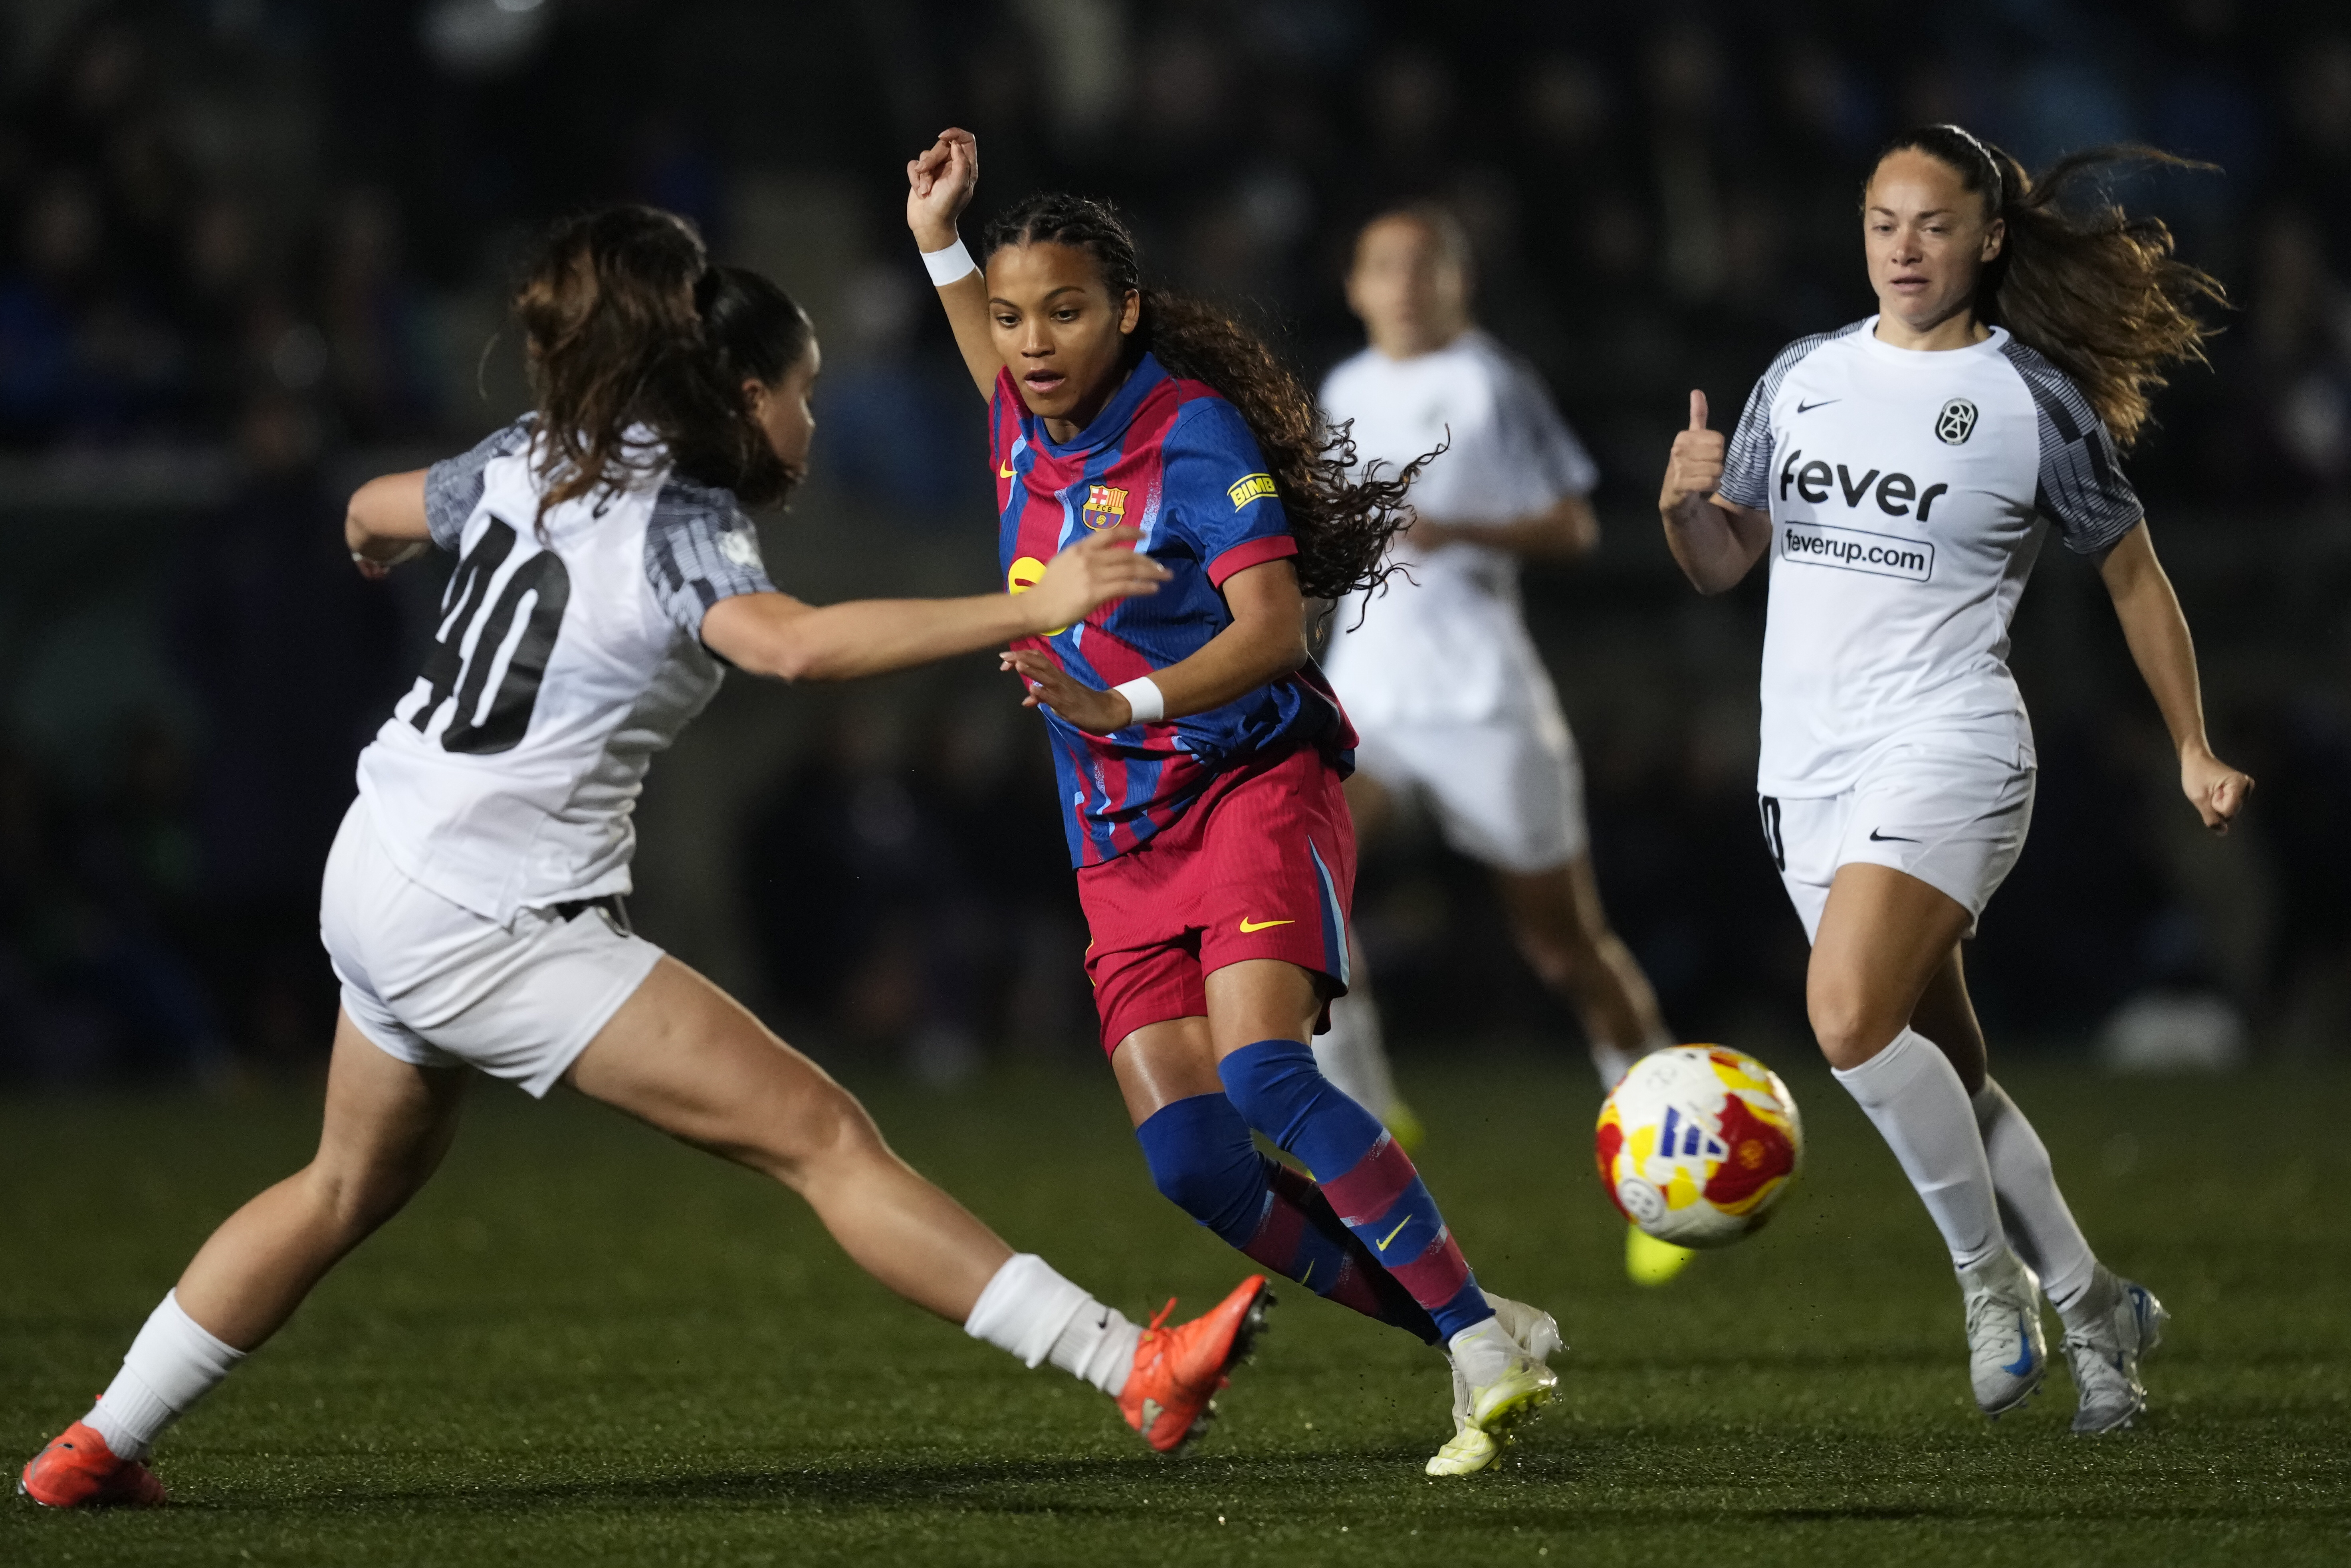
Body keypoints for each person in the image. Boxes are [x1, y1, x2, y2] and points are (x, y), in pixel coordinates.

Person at [20, 206, 1267, 1511]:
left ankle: (95, 1444)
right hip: (493, 916)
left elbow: (372, 503)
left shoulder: (538, 450)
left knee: (341, 1183)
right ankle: (1135, 1365)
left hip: (381, 857)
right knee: (826, 1139)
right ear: (739, 395)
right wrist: (1039, 602)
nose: (810, 424)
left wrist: (377, 533)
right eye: (802, 395)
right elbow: (792, 648)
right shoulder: (680, 519)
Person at [904, 129, 1561, 1479]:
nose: (1032, 342)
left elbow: (1274, 632)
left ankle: (1483, 1353)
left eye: (1068, 311)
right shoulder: (1019, 416)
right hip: (1116, 839)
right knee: (1196, 1168)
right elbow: (984, 334)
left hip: (1250, 783)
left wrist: (1125, 708)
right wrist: (937, 238)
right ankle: (1475, 1323)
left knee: (1267, 1070)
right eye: (1016, 317)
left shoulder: (1189, 434)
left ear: (1127, 310)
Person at [1657, 127, 2250, 1433]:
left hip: (1953, 743)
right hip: (1805, 771)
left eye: (1932, 225)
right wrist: (1684, 508)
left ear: (1987, 239)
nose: (1904, 248)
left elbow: (2136, 579)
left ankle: (1993, 1287)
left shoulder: (2031, 400)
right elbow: (1722, 563)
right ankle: (2099, 1310)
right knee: (1943, 1072)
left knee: (1846, 1016)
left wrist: (2193, 745)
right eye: (1883, 222)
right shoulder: (1802, 377)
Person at [1314, 204, 1689, 1285]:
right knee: (1300, 888)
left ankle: (1668, 1165)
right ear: (1355, 285)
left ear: (1460, 283)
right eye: (1387, 265)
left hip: (1482, 700)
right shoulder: (1342, 391)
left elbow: (1574, 526)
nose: (1407, 283)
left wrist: (1460, 529)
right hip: (1369, 693)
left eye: (1428, 265)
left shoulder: (1491, 382)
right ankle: (1372, 1116)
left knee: (1564, 946)